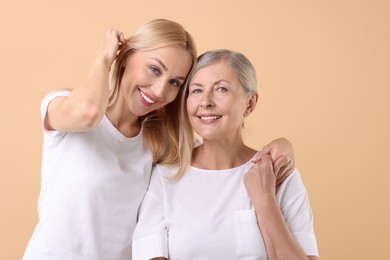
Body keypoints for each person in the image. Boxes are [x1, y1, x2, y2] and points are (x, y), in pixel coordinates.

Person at [23, 19, 295, 260]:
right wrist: (104, 57)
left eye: (175, 82)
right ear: (127, 56)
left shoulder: (160, 143)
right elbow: (89, 113)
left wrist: (283, 146)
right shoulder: (62, 107)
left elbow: (218, 158)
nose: (159, 90)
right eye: (155, 69)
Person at [132, 50, 319, 259]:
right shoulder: (166, 177)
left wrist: (265, 201)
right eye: (196, 90)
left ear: (250, 103)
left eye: (221, 89)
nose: (206, 101)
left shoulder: (278, 173)